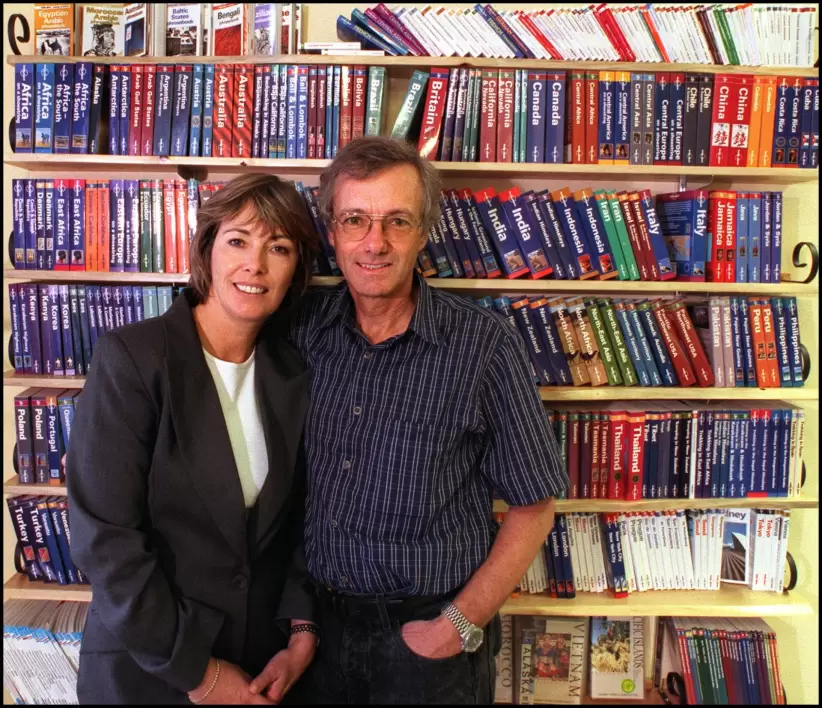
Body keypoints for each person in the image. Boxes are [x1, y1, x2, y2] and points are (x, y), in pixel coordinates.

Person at [250, 137, 569, 704]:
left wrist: (460, 625)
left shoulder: (484, 346)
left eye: (398, 221)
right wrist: (301, 623)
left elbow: (535, 507)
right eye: (355, 220)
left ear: (425, 232)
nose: (375, 242)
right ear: (331, 232)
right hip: (318, 636)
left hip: (428, 644)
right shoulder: (300, 333)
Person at [67, 174, 320, 704]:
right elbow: (105, 540)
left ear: (296, 268)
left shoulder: (292, 371)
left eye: (279, 247)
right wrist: (199, 674)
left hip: (260, 666)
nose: (255, 264)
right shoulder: (133, 359)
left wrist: (301, 631)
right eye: (238, 240)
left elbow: (300, 519)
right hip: (148, 667)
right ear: (207, 248)